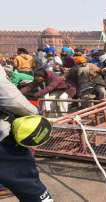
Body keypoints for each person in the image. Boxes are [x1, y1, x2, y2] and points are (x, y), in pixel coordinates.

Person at [0, 67, 53, 201]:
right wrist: (35, 113)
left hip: (47, 93)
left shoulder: (53, 79)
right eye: (37, 76)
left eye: (41, 77)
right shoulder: (26, 79)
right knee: (28, 184)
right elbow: (9, 96)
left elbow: (48, 88)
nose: (39, 78)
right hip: (3, 142)